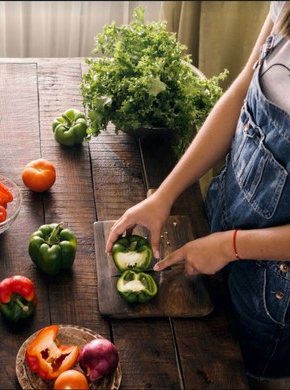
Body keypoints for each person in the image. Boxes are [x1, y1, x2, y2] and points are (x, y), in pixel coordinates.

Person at [105, 1, 290, 385]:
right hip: (220, 212)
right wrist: (165, 194)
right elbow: (242, 91)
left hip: (273, 286)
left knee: (236, 377)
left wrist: (229, 246)